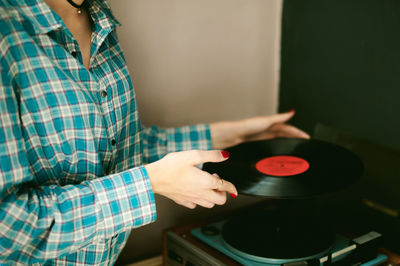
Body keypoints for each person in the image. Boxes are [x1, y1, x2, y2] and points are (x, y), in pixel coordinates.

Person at [0, 0, 309, 264]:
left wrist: (228, 136)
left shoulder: (100, 15)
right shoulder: (7, 33)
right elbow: (8, 227)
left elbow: (119, 147)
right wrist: (150, 183)